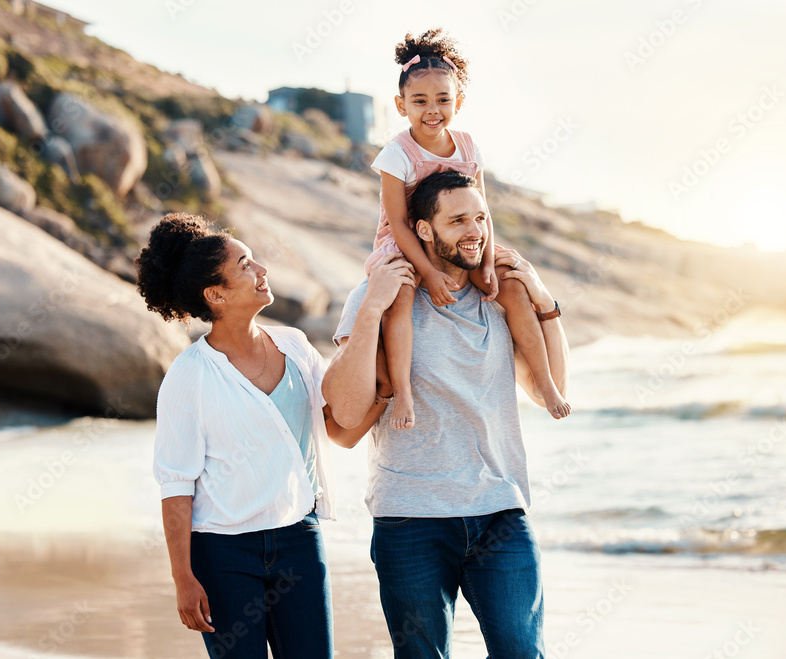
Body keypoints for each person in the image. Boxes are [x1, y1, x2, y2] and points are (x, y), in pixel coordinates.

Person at [324, 171, 570, 658]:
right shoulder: (384, 294)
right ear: (423, 230)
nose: (474, 230)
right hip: (411, 515)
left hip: (500, 508)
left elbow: (553, 392)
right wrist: (371, 307)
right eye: (457, 220)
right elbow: (345, 417)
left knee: (522, 652)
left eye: (480, 217)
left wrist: (545, 303)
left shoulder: (501, 299)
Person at [136, 212, 384, 659]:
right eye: (246, 265)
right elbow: (175, 484)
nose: (262, 271)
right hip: (222, 554)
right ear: (216, 295)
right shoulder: (188, 376)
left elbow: (337, 432)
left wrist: (382, 399)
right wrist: (183, 578)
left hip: (299, 540)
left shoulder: (296, 346)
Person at [365, 28, 570, 430]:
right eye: (419, 101)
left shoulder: (467, 145)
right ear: (400, 105)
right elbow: (397, 221)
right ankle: (404, 393)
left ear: (458, 101)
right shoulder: (397, 153)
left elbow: (483, 210)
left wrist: (489, 262)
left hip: (460, 237)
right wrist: (429, 272)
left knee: (511, 286)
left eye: (443, 99)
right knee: (402, 298)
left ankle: (545, 382)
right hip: (406, 240)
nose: (432, 110)